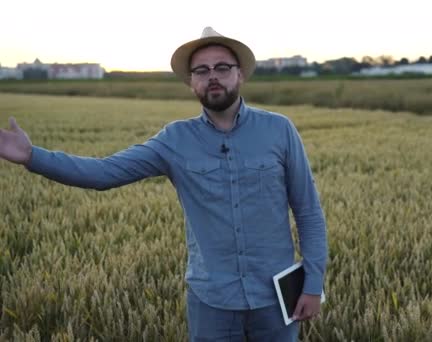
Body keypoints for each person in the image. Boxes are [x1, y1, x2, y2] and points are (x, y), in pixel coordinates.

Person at [0, 27, 328, 341]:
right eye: (200, 71)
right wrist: (32, 156)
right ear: (191, 83)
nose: (211, 75)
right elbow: (103, 173)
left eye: (222, 67)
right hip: (211, 302)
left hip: (274, 298)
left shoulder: (279, 130)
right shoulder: (175, 139)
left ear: (239, 74)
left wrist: (313, 284)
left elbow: (308, 212)